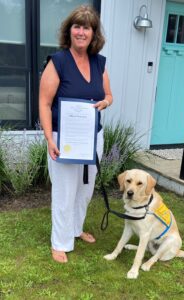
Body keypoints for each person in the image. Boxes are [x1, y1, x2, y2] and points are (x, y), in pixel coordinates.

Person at [39, 5, 113, 263]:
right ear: (69, 31)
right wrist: (49, 138)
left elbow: (108, 95)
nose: (82, 32)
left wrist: (106, 102)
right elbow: (45, 103)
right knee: (64, 190)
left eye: (87, 27)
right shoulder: (57, 62)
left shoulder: (98, 63)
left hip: (92, 138)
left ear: (94, 34)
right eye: (77, 26)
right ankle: (60, 241)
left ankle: (75, 229)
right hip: (63, 139)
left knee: (85, 187)